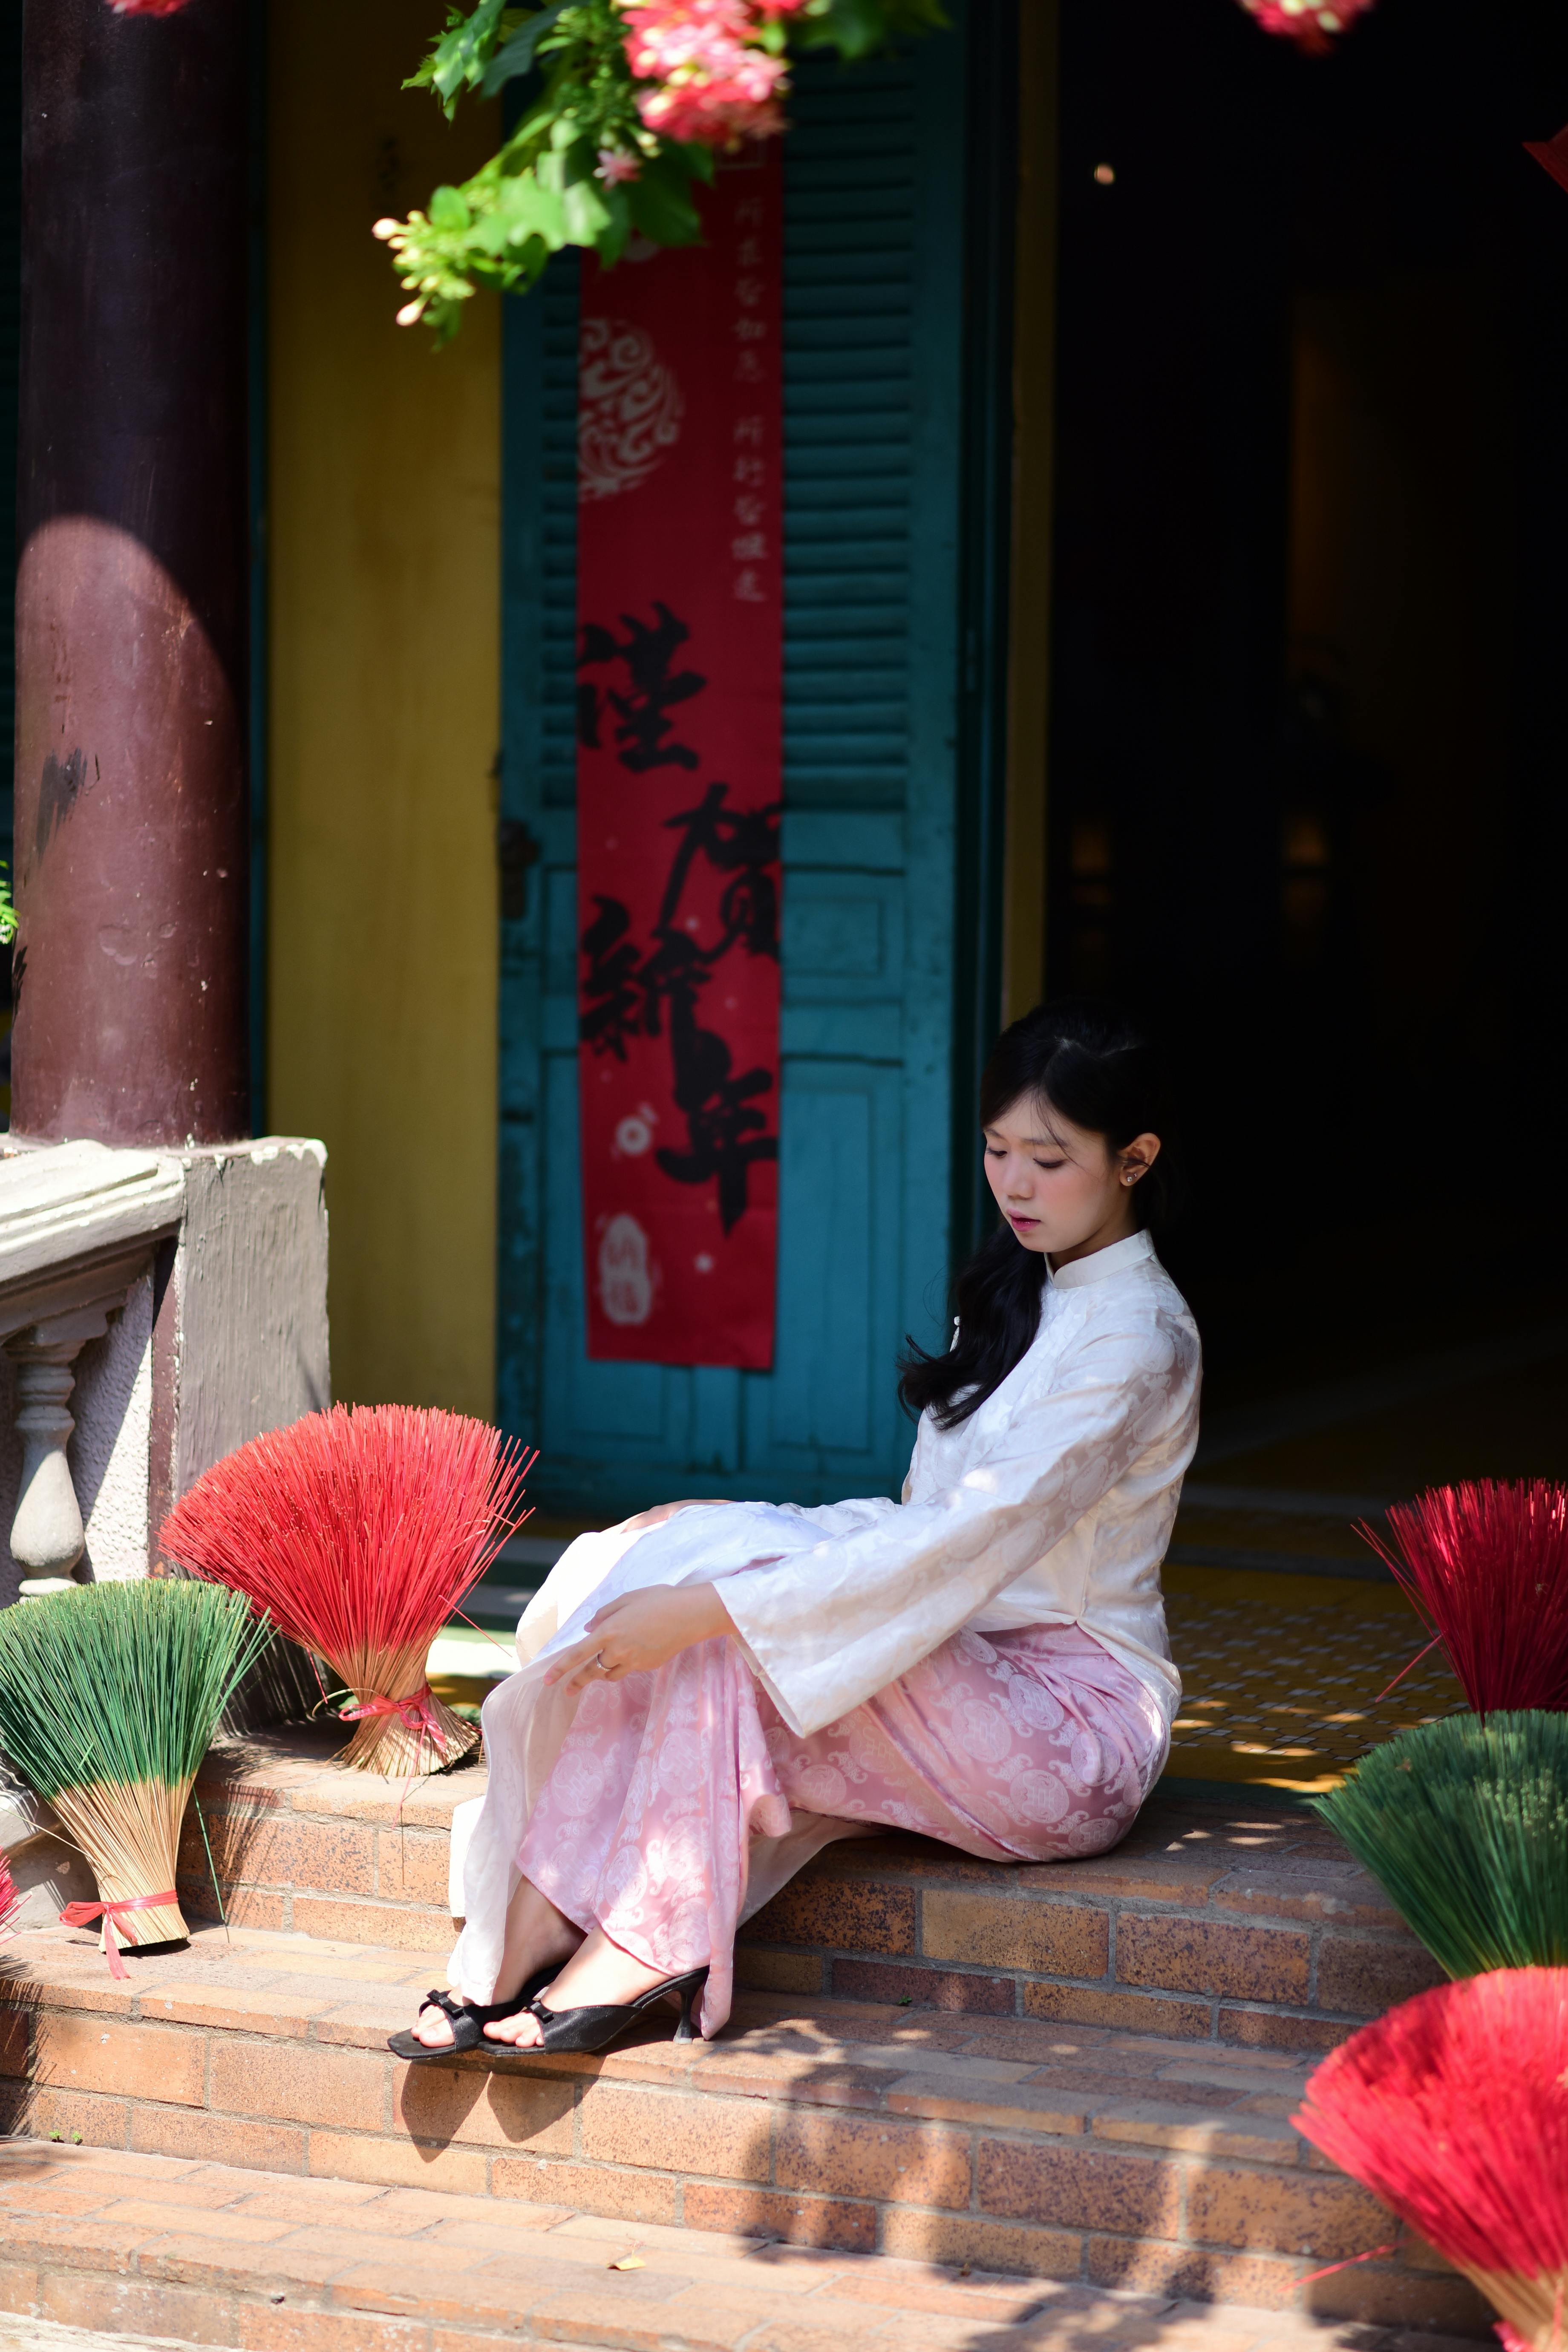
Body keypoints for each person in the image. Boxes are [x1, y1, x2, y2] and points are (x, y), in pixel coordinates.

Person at [391, 999, 1200, 2064]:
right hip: (950, 1673)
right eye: (999, 1150)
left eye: (1049, 1160)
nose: (1013, 1185)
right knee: (709, 1597)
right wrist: (728, 1531)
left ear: (1136, 1157)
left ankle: (624, 1941)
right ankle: (550, 1924)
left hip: (1065, 1726)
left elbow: (967, 1539)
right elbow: (916, 1521)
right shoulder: (1021, 1293)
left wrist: (708, 1599)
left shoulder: (1137, 1337)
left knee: (717, 1629)